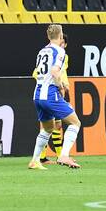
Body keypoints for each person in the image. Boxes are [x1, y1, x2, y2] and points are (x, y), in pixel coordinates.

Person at [28, 24, 81, 170]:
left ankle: (34, 160)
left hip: (37, 94)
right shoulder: (60, 51)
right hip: (50, 94)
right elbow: (54, 71)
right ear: (61, 35)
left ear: (48, 36)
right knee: (75, 123)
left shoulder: (42, 51)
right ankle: (64, 155)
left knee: (47, 128)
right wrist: (60, 85)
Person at [34, 31, 70, 164]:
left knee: (57, 125)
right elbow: (37, 73)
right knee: (48, 127)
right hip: (50, 93)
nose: (60, 43)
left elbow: (62, 72)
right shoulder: (57, 54)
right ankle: (43, 157)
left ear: (65, 44)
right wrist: (58, 85)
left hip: (56, 93)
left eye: (62, 42)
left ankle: (56, 155)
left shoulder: (63, 56)